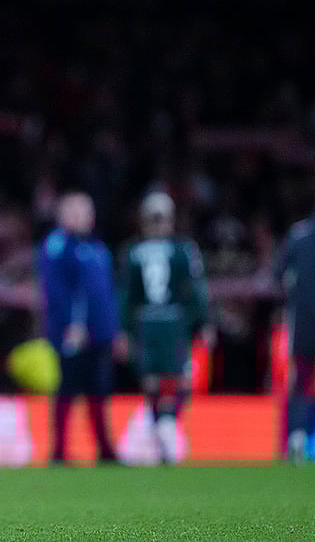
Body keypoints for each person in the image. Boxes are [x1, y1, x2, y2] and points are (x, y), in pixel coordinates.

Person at [117, 191, 209, 464]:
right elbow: (196, 289)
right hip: (172, 320)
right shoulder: (183, 249)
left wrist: (123, 328)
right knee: (175, 379)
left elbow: (125, 296)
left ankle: (162, 425)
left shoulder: (133, 251)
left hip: (147, 321)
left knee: (156, 380)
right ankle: (166, 424)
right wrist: (203, 320)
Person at [37, 192, 122, 465]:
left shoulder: (97, 247)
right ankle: (59, 450)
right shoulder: (58, 246)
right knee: (67, 388)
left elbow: (107, 293)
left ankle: (105, 449)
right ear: (63, 215)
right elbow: (56, 291)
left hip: (99, 334)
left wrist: (114, 330)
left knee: (99, 390)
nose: (82, 217)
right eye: (75, 211)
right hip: (71, 334)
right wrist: (70, 325)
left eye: (86, 211)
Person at [275, 184, 315, 462]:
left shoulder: (299, 235)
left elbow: (279, 275)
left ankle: (296, 437)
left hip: (306, 322)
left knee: (301, 382)